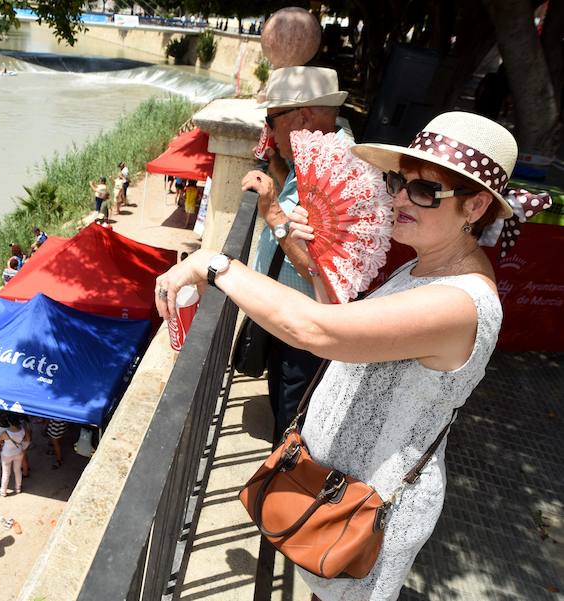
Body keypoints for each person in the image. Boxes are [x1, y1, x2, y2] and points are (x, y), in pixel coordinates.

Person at [154, 111, 511, 601]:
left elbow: (315, 331)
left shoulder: (460, 301)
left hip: (371, 512)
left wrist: (213, 265)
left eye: (425, 191)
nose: (400, 198)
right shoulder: (425, 267)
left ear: (475, 207)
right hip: (337, 491)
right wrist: (304, 248)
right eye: (399, 182)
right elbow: (352, 331)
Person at [250, 66, 352, 436]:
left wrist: (272, 212)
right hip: (289, 319)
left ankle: (283, 487)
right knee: (283, 405)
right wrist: (278, 166)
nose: (268, 132)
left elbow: (320, 268)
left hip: (307, 331)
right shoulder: (314, 155)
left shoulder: (337, 169)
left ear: (303, 116)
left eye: (271, 120)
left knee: (293, 423)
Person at [0, 415, 28, 497]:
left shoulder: (5, 432)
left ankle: (3, 491)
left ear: (9, 422)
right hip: (18, 452)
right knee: (18, 470)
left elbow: (0, 440)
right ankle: (18, 488)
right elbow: (25, 439)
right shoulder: (22, 430)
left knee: (6, 473)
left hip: (6, 454)